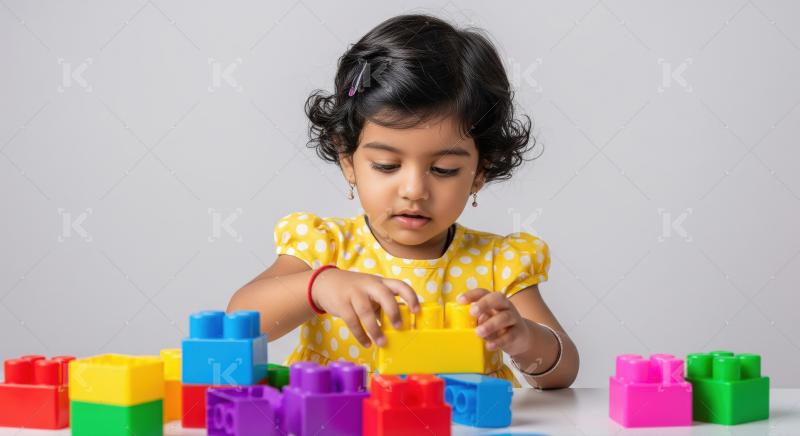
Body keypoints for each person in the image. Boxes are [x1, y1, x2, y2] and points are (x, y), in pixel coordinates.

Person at [228, 14, 578, 388]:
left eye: (443, 169)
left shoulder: (497, 265)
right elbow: (238, 324)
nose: (414, 190)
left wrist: (524, 338)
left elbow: (562, 373)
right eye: (387, 165)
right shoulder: (325, 248)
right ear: (348, 160)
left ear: (480, 171)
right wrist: (317, 287)